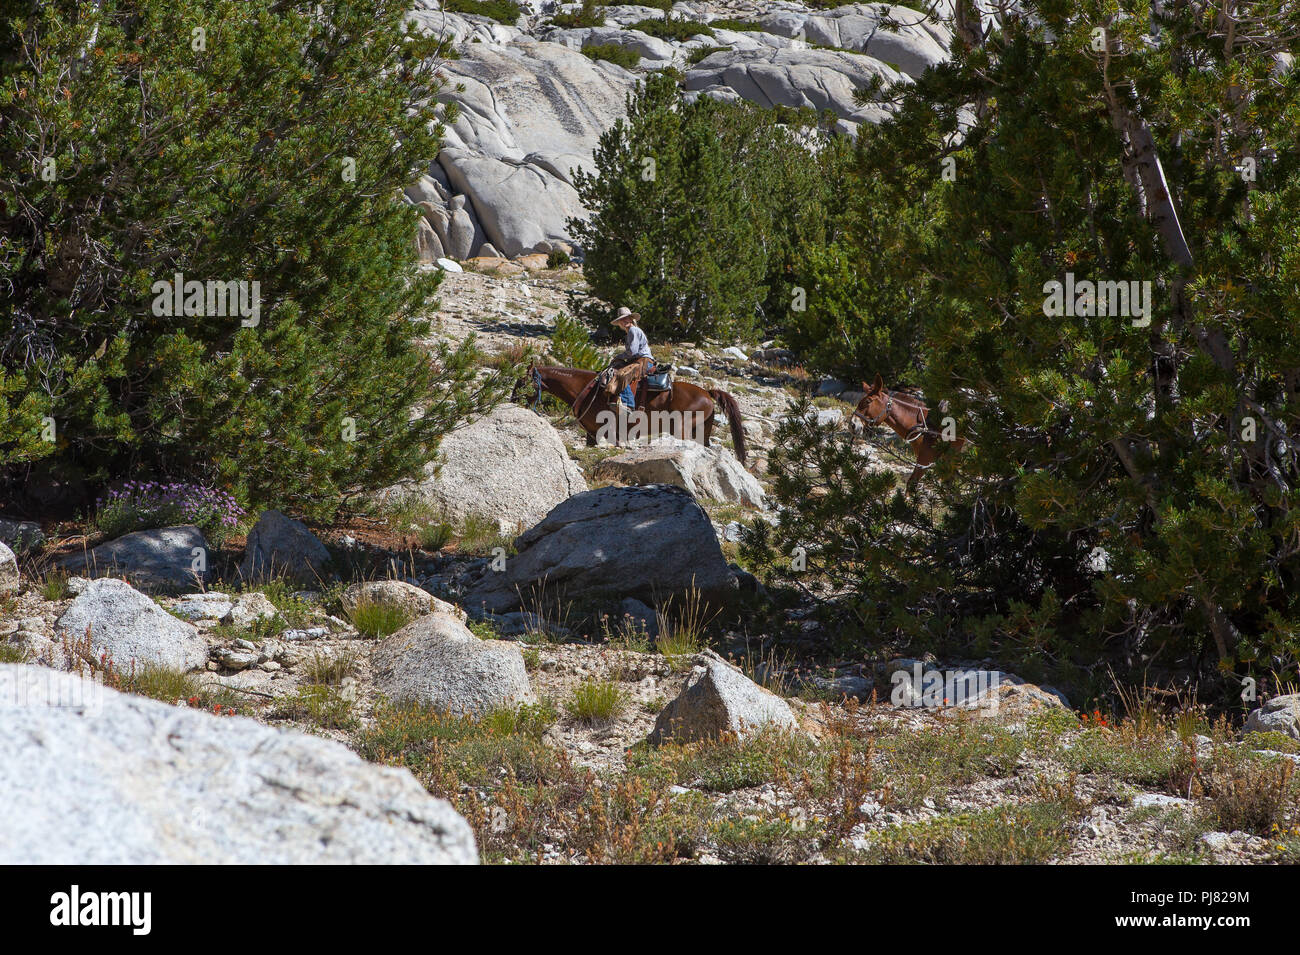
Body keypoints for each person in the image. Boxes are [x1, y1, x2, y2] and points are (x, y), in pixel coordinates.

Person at [609, 306, 653, 409]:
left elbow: (632, 352)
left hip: (643, 361)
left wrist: (618, 356)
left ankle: (628, 404)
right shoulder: (631, 332)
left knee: (621, 375)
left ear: (631, 318)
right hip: (638, 360)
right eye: (621, 320)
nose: (623, 321)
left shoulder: (633, 330)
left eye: (626, 318)